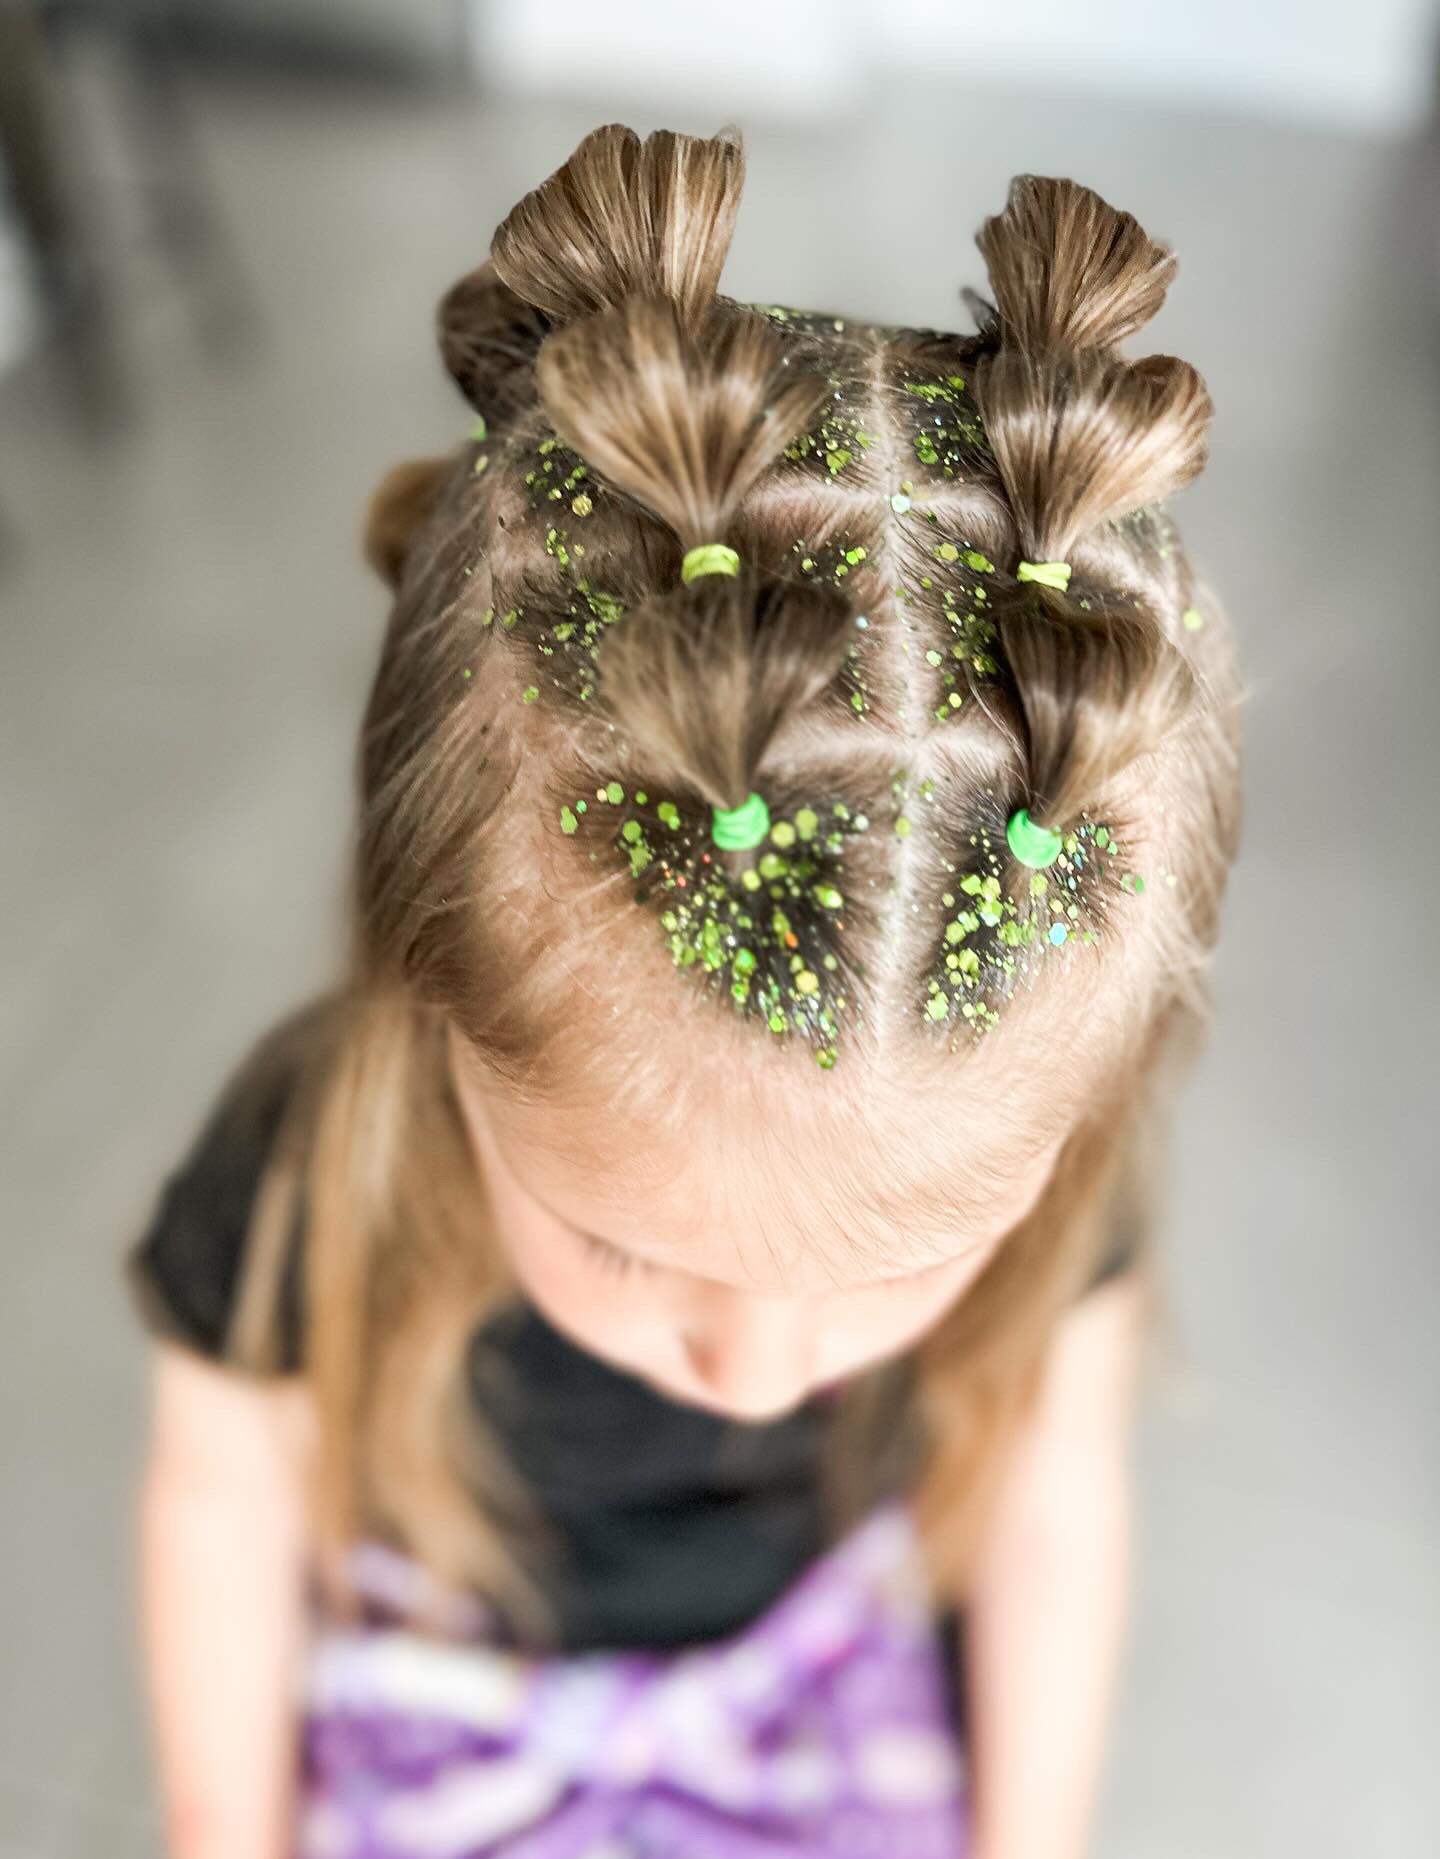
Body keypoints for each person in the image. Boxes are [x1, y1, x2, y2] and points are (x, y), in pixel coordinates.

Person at [125, 122, 1244, 1859]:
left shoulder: (1033, 1101)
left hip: (811, 1678)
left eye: (907, 1265)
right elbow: (221, 1490)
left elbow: (1051, 1503)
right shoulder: (298, 1159)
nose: (753, 1366)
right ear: (437, 992)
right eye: (631, 1248)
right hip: (446, 1673)